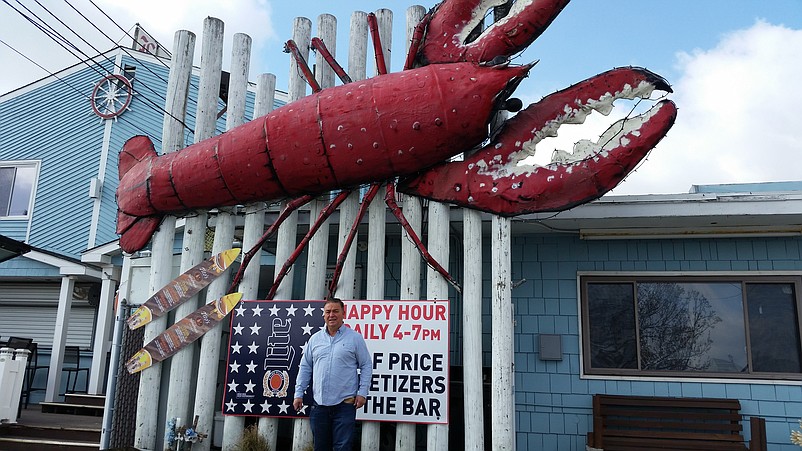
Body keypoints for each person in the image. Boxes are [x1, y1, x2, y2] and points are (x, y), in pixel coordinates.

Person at [293, 298, 372, 451]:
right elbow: (305, 367)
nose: (331, 315)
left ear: (344, 314)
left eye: (336, 311)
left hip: (345, 405)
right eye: (328, 312)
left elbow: (366, 365)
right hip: (319, 406)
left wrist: (362, 393)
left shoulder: (354, 338)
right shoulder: (315, 339)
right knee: (320, 447)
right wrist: (298, 393)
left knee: (342, 448)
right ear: (323, 315)